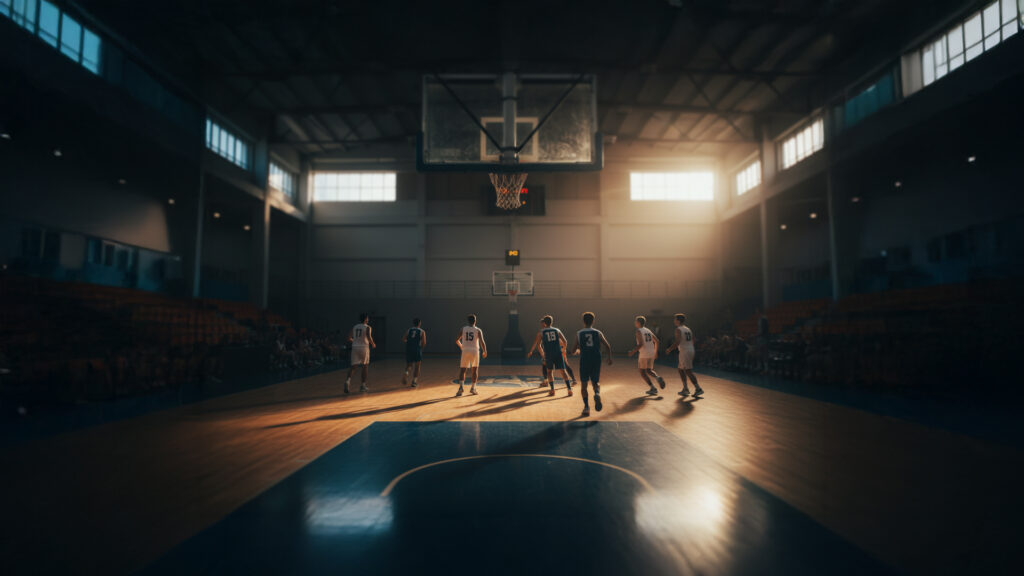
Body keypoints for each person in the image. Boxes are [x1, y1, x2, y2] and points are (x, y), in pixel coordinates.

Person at [569, 311, 613, 416]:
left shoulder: (579, 333)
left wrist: (577, 351)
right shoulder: (598, 332)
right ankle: (597, 393)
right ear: (593, 321)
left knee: (584, 386)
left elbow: (573, 350)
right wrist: (609, 358)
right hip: (596, 359)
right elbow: (607, 346)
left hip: (585, 360)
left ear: (583, 321)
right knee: (595, 382)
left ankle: (586, 407)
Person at [527, 315, 573, 397]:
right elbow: (565, 341)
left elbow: (539, 346)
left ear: (544, 323)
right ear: (552, 322)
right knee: (563, 371)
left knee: (549, 372)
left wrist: (543, 355)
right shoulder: (557, 330)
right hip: (558, 353)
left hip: (549, 354)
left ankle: (552, 390)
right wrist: (562, 350)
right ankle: (569, 389)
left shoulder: (541, 332)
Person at [666, 313, 703, 398]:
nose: (674, 321)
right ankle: (685, 388)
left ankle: (698, 388)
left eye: (675, 319)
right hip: (689, 349)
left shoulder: (678, 329)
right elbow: (693, 340)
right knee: (680, 369)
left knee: (688, 371)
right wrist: (689, 347)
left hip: (685, 351)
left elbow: (677, 342)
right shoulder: (688, 329)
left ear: (678, 320)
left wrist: (669, 349)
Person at [627, 315, 665, 396]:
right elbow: (657, 341)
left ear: (638, 322)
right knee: (649, 370)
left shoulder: (638, 331)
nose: (635, 323)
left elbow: (641, 344)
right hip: (651, 353)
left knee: (642, 372)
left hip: (644, 354)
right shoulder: (648, 330)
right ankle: (658, 378)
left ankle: (653, 388)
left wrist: (633, 351)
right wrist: (656, 352)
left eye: (635, 321)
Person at [455, 314, 487, 396]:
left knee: (463, 370)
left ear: (468, 321)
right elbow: (482, 342)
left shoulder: (463, 329)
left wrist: (462, 347)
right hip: (474, 350)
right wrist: (485, 351)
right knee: (474, 370)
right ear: (475, 321)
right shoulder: (478, 330)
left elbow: (457, 340)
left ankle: (461, 388)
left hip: (465, 350)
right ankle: (473, 388)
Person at [345, 313, 375, 394]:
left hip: (355, 347)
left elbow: (349, 338)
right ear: (365, 319)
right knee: (365, 367)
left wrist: (355, 341)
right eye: (367, 318)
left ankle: (348, 381)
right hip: (364, 347)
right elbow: (369, 337)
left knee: (353, 367)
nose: (368, 319)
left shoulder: (355, 327)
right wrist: (373, 344)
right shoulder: (368, 327)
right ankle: (363, 386)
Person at [402, 318, 427, 387]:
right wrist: (421, 348)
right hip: (417, 349)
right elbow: (424, 342)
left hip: (409, 349)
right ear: (419, 323)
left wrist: (410, 342)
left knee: (409, 365)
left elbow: (404, 339)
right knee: (417, 366)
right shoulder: (422, 331)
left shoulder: (409, 330)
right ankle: (414, 382)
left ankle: (406, 373)